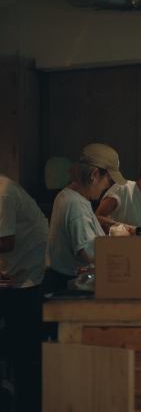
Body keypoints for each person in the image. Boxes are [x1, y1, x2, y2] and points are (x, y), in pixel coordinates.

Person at [43, 143, 126, 293]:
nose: (107, 187)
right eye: (109, 180)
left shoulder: (67, 195)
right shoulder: (76, 204)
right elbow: (89, 253)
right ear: (94, 175)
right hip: (67, 287)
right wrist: (121, 246)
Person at [0, 175, 49, 412]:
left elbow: (5, 242)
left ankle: (25, 403)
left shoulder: (3, 193)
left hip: (27, 277)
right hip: (16, 273)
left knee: (24, 352)